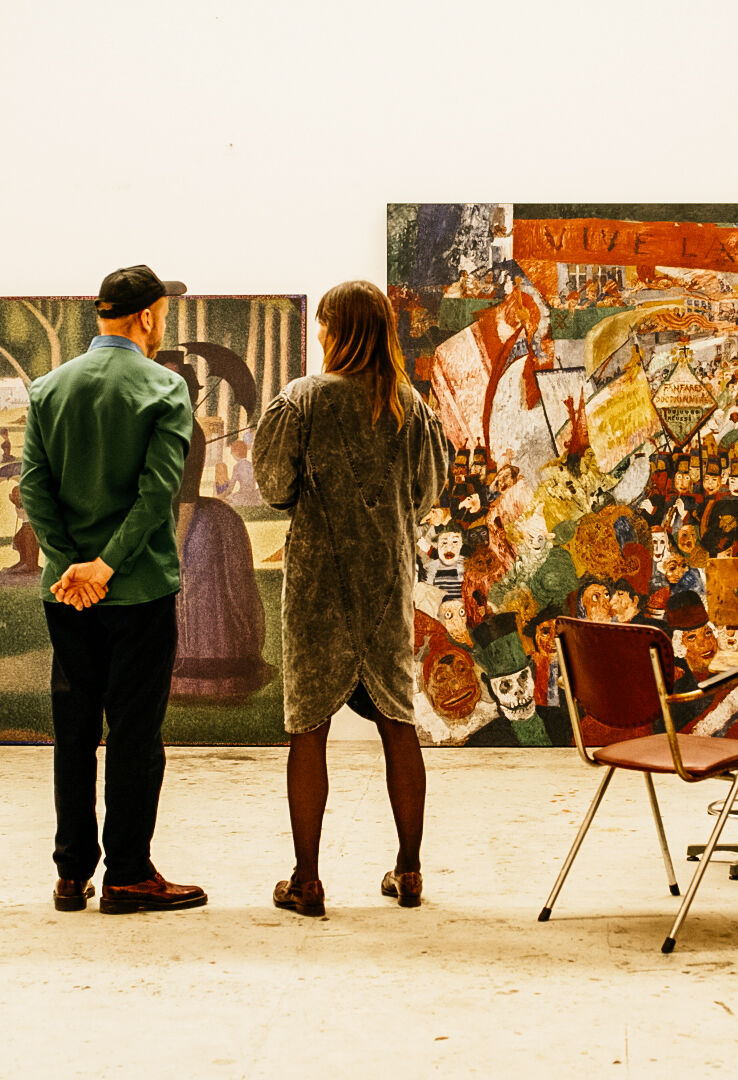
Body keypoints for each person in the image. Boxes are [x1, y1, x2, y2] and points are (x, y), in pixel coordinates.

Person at [252, 279, 450, 917]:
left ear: (339, 330)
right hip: (386, 583)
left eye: (324, 325)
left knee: (308, 730)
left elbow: (274, 487)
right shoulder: (409, 406)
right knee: (398, 723)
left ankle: (307, 881)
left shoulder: (301, 400)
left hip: (317, 588)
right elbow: (427, 492)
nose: (319, 334)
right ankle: (409, 871)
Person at [18, 264, 202, 917]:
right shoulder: (165, 388)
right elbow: (158, 494)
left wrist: (72, 564)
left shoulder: (48, 389)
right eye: (163, 316)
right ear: (147, 316)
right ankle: (127, 873)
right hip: (139, 591)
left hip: (66, 595)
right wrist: (107, 566)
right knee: (134, 733)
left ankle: (72, 874)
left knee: (73, 731)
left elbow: (33, 488)